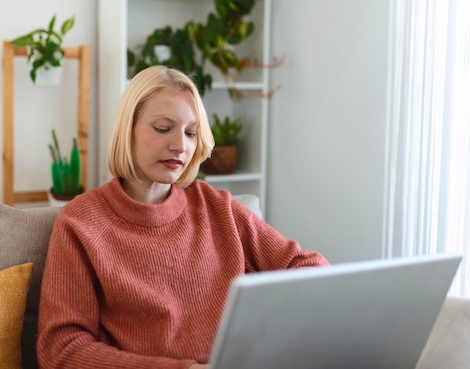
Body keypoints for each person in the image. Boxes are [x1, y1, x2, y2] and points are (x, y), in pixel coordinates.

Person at [37, 65, 329, 369]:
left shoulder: (219, 208)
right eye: (163, 128)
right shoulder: (80, 223)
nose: (181, 145)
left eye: (191, 133)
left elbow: (309, 268)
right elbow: (61, 350)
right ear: (128, 129)